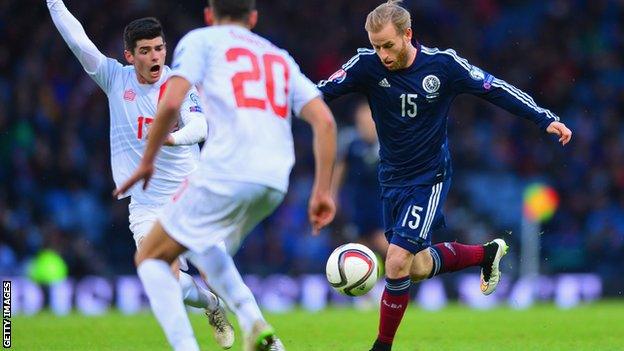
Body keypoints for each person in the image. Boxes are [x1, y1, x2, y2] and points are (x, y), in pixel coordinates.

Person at [317, 1, 573, 350]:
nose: (383, 54)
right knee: (418, 266)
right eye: (376, 46)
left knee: (395, 260)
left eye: (388, 45)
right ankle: (485, 254)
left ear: (408, 34)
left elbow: (495, 88)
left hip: (429, 176)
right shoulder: (366, 65)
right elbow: (316, 93)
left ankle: (381, 346)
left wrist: (544, 118)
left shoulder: (443, 65)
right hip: (391, 179)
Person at [113, 0, 337, 350]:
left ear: (208, 15)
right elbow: (324, 121)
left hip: (226, 171)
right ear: (253, 18)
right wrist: (323, 191)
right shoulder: (279, 56)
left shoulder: (201, 41)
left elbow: (170, 103)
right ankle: (256, 326)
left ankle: (190, 346)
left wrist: (147, 160)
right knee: (205, 250)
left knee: (149, 259)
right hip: (275, 181)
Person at [46, 1, 235, 348]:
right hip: (147, 205)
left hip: (191, 195)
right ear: (130, 56)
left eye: (159, 48)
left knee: (219, 275)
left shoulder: (179, 84)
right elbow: (78, 41)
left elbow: (200, 125)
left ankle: (239, 315)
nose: (154, 57)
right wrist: (54, 3)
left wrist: (172, 137)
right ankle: (211, 306)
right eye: (145, 51)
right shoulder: (113, 78)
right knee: (167, 283)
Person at [332, 101, 387, 258]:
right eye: (361, 122)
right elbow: (340, 167)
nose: (365, 126)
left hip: (383, 208)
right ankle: (366, 280)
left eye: (369, 121)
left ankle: (407, 280)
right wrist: (333, 194)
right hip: (358, 207)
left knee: (386, 245)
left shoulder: (388, 143)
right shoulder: (351, 142)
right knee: (358, 251)